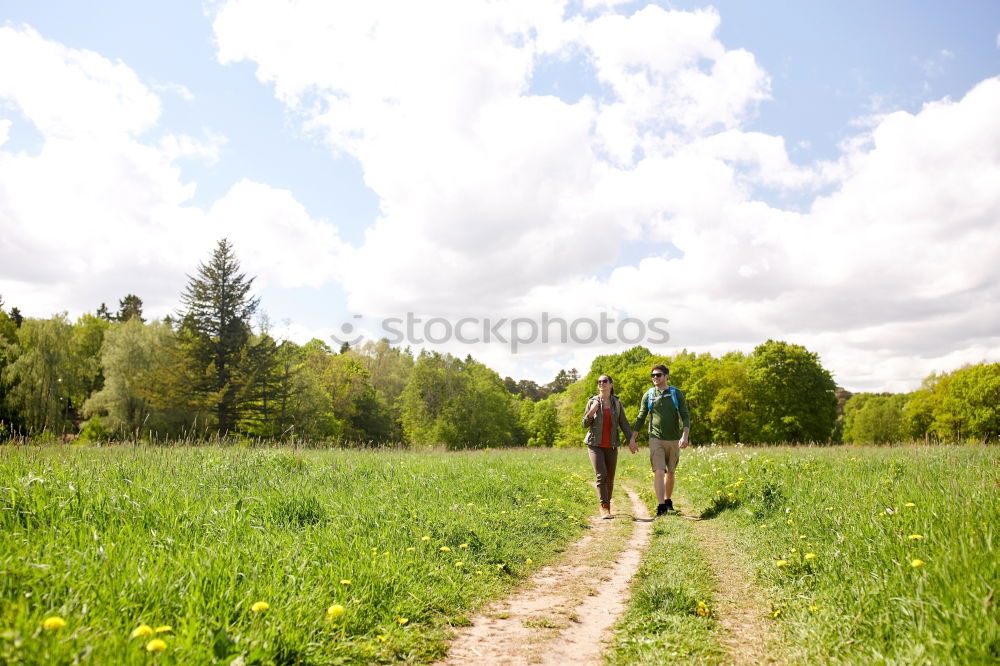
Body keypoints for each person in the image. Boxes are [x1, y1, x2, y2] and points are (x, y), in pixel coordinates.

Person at [630, 365, 690, 516]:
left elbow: (685, 415)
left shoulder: (676, 393)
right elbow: (641, 417)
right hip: (655, 438)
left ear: (666, 376)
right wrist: (632, 439)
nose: (655, 378)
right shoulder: (649, 395)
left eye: (658, 375)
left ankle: (667, 500)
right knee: (659, 470)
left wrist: (685, 436)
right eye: (653, 376)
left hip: (674, 439)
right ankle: (661, 506)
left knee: (670, 472)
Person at [582, 374, 637, 519]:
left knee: (610, 478)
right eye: (599, 382)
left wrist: (631, 440)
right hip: (595, 444)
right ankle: (604, 507)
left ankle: (608, 505)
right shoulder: (592, 402)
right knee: (601, 475)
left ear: (611, 384)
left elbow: (624, 423)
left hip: (611, 445)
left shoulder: (617, 403)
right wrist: (591, 412)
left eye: (605, 381)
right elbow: (584, 424)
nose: (601, 383)